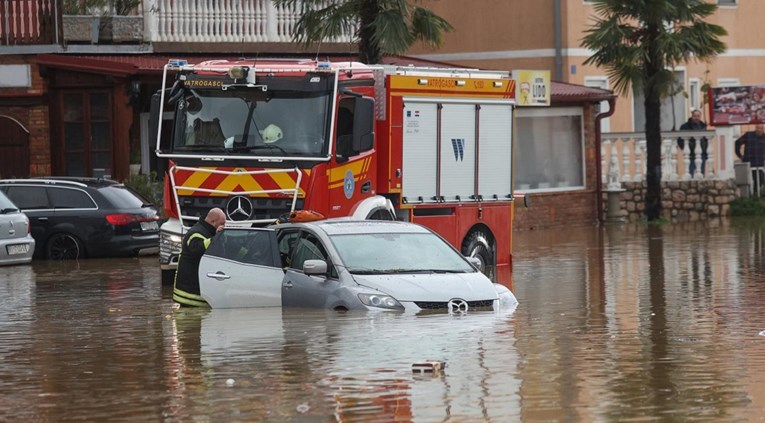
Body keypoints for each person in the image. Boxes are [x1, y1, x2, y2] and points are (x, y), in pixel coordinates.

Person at [173, 208, 226, 307]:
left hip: (199, 297)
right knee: (191, 322)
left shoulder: (209, 232)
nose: (223, 226)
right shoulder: (195, 233)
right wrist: (216, 238)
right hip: (189, 296)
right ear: (213, 221)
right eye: (222, 223)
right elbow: (199, 249)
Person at [734, 124, 765, 195]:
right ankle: (750, 197)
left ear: (763, 129)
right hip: (748, 163)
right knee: (748, 182)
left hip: (760, 163)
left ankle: (756, 196)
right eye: (758, 128)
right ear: (755, 128)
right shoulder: (749, 135)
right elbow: (737, 142)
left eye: (761, 128)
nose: (759, 130)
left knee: (760, 181)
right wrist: (740, 155)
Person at [677, 109, 708, 176]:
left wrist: (705, 150)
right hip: (690, 153)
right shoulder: (685, 126)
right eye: (695, 116)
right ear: (692, 116)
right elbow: (680, 139)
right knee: (690, 172)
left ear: (700, 116)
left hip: (702, 152)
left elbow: (706, 139)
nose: (696, 118)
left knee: (701, 173)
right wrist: (685, 148)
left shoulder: (703, 126)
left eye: (698, 116)